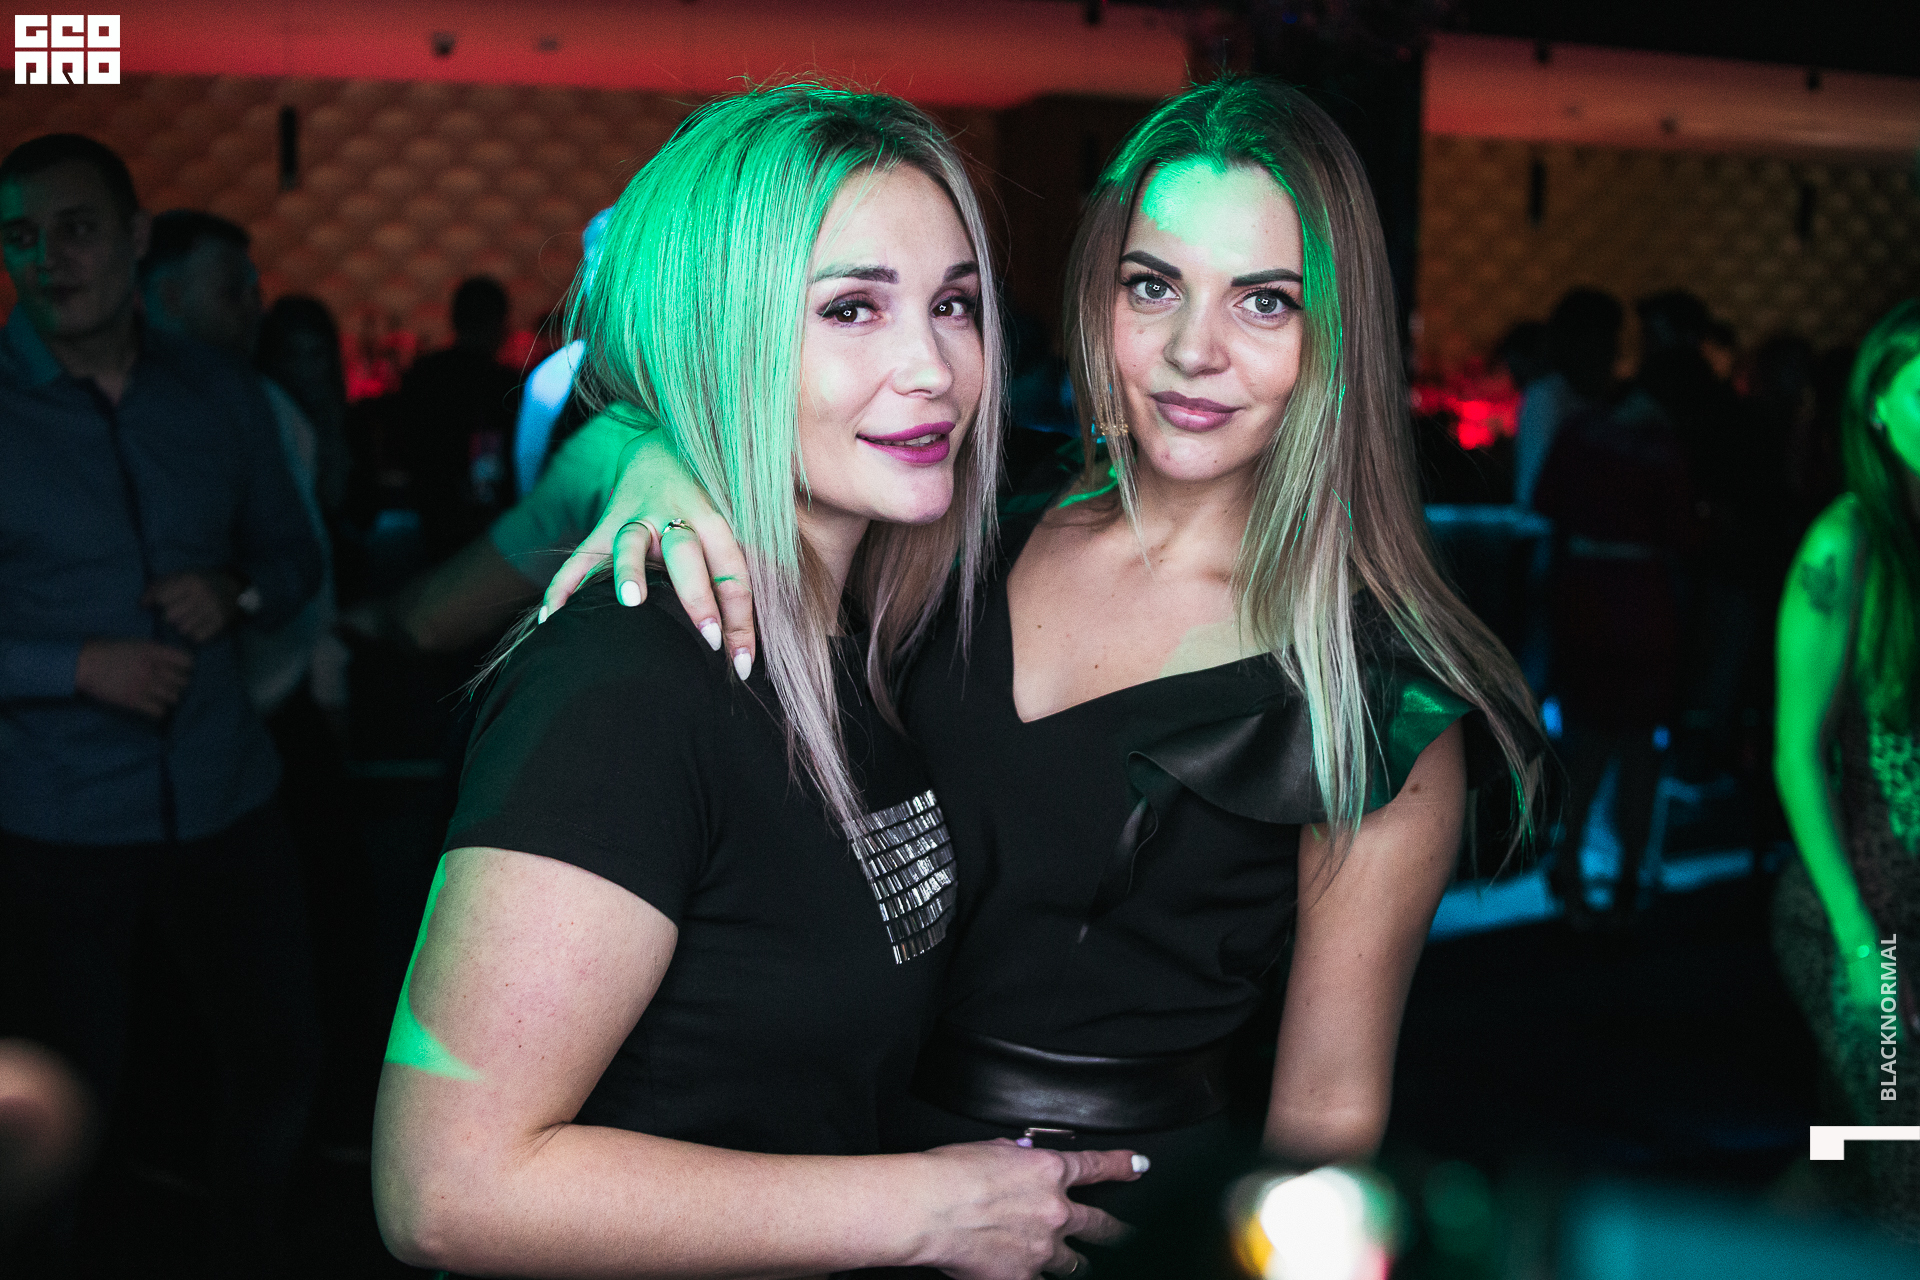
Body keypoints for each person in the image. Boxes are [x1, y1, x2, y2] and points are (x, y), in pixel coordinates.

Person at [542, 75, 1547, 1260]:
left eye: (1265, 301)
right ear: (1097, 294)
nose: (1193, 351)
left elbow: (1323, 1127)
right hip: (821, 1175)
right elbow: (644, 424)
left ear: (1340, 334)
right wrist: (658, 458)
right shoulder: (956, 516)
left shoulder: (1375, 698)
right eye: (1153, 285)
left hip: (1098, 1227)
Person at [370, 86, 1141, 1280]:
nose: (933, 368)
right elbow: (445, 1187)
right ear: (715, 338)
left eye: (954, 305)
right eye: (851, 307)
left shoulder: (869, 637)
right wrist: (929, 1207)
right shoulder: (629, 681)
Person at [0, 134, 323, 1274]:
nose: (49, 258)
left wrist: (234, 591)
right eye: (21, 237)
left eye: (77, 228)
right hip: (57, 820)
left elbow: (294, 559)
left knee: (281, 1061)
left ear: (135, 237)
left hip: (226, 793)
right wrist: (71, 665)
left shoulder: (218, 393)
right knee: (60, 1107)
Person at [1772, 298, 1920, 1237]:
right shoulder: (1848, 542)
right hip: (1870, 916)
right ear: (1877, 406)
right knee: (1903, 1158)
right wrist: (1863, 945)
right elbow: (1796, 755)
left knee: (1850, 1146)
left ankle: (1750, 1250)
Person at [398, 274, 522, 565]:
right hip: (487, 517)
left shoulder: (422, 374)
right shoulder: (503, 383)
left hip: (431, 511)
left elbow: (406, 446)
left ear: (454, 319)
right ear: (499, 324)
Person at [1512, 288, 1622, 509]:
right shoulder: (1547, 397)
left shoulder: (1605, 400)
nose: (1614, 350)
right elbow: (1538, 484)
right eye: (1603, 339)